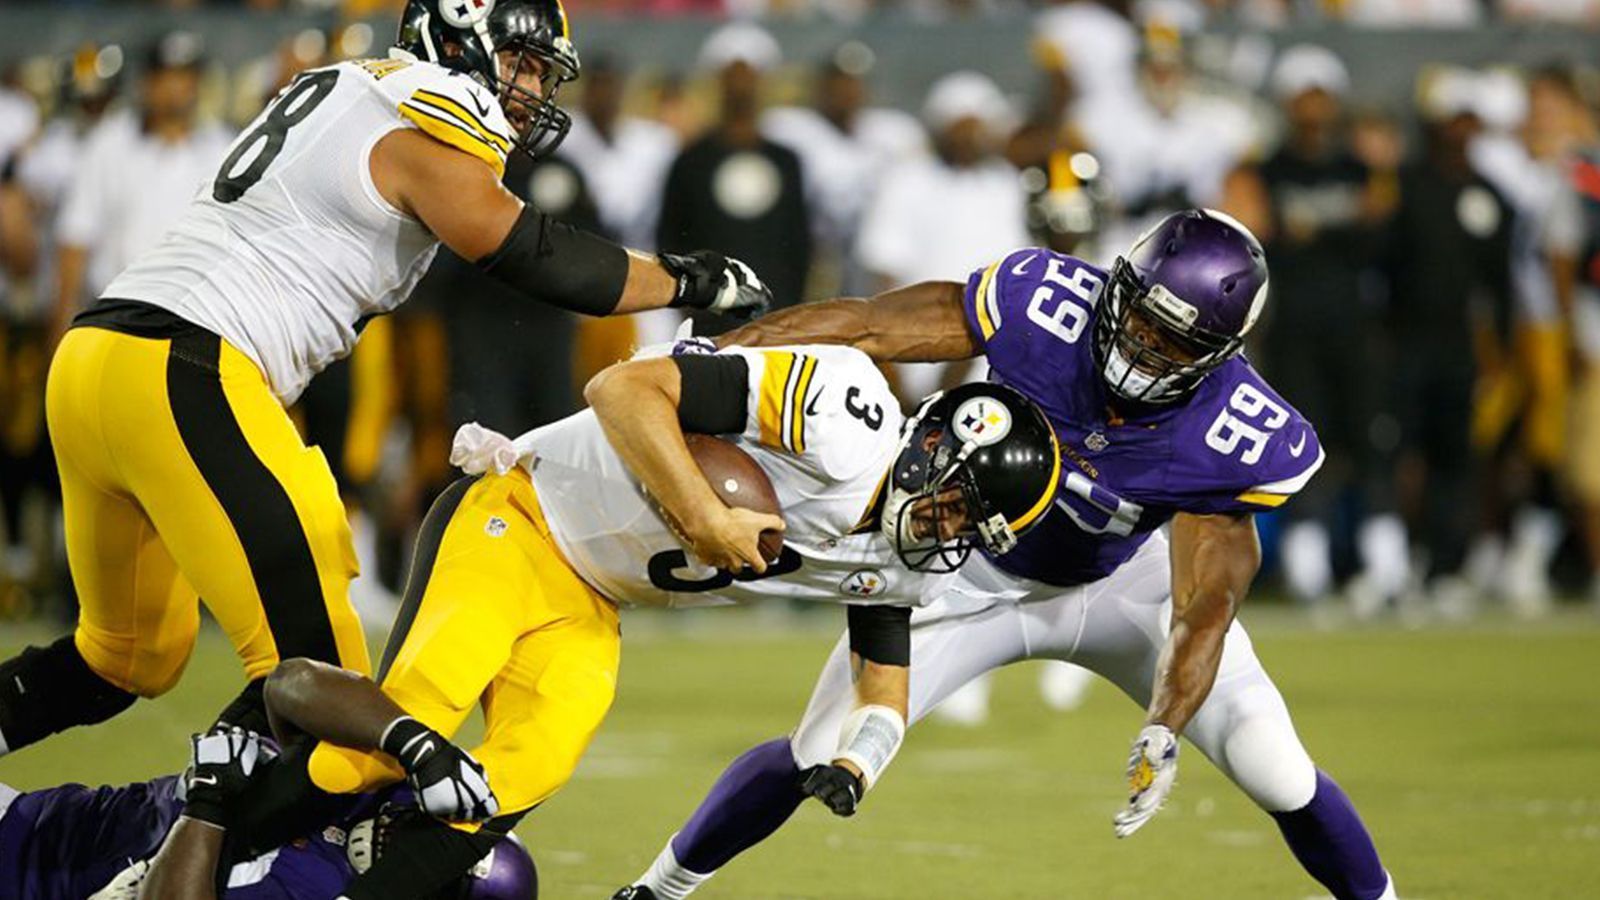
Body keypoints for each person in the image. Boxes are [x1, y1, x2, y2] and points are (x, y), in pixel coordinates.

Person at [0, 0, 772, 763]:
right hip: (186, 366)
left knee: (127, 655)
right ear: (455, 41)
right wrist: (687, 279)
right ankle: (216, 867)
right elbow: (523, 250)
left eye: (543, 72)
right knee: (325, 686)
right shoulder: (432, 103)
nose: (532, 90)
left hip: (98, 360)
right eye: (521, 63)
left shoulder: (351, 86)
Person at [614, 210, 1397, 900]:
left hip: (1124, 586)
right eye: (1140, 317)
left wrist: (1166, 722)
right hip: (962, 571)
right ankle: (654, 892)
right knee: (815, 750)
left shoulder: (1240, 432)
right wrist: (709, 360)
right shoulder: (1048, 306)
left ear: (1220, 352)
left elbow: (1206, 602)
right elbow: (866, 325)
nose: (1142, 344)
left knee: (1275, 765)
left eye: (1173, 341)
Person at [143, 340, 1060, 897]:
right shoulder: (846, 415)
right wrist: (704, 518)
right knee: (389, 741)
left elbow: (884, 690)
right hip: (520, 517)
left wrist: (859, 760)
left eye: (965, 528)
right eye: (950, 503)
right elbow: (620, 390)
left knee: (515, 777)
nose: (943, 531)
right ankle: (186, 829)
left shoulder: (908, 560)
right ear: (931, 443)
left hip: (595, 601)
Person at [0, 730, 536, 899]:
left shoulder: (318, 890)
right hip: (34, 818)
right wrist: (411, 740)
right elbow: (294, 684)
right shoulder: (382, 788)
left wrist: (211, 802)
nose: (408, 840)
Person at [656, 23, 811, 333]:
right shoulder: (690, 160)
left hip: (775, 320)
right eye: (732, 75)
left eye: (749, 75)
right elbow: (671, 236)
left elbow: (799, 242)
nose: (741, 85)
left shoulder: (786, 161)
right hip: (708, 320)